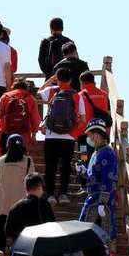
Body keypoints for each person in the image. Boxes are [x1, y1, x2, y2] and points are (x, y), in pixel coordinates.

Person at [0, 134, 35, 256]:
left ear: (7, 146)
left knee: (0, 228)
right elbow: (31, 181)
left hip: (1, 199)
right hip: (20, 201)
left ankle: (0, 250)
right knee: (19, 231)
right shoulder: (27, 161)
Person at [38, 67, 82, 206]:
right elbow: (82, 118)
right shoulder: (76, 95)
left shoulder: (51, 91)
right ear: (70, 79)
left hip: (51, 135)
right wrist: (73, 133)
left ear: (58, 78)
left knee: (50, 166)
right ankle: (63, 194)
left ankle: (50, 194)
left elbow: (38, 92)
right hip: (68, 136)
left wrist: (51, 80)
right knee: (65, 166)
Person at [6, 173, 56, 256]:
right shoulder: (45, 206)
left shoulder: (16, 207)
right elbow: (53, 228)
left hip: (21, 255)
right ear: (39, 187)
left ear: (26, 188)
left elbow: (8, 232)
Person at [80, 119, 118, 239]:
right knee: (85, 233)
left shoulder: (108, 153)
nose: (89, 138)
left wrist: (103, 202)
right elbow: (92, 176)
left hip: (102, 201)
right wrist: (82, 171)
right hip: (92, 199)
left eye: (90, 135)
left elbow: (108, 179)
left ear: (97, 135)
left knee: (103, 235)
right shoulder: (95, 153)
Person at [0, 78, 41, 152]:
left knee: (5, 159)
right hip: (24, 134)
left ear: (13, 86)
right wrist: (34, 134)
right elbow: (36, 119)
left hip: (6, 132)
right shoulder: (30, 98)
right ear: (26, 87)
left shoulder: (5, 96)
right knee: (22, 160)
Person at [75, 71, 111, 171]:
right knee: (99, 159)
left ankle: (84, 182)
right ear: (93, 81)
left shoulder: (80, 96)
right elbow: (107, 113)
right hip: (100, 133)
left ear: (82, 83)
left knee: (84, 158)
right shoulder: (104, 95)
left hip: (83, 134)